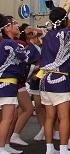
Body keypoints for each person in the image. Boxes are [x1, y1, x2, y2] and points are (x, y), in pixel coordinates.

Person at [39, 0, 70, 154]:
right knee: (64, 116)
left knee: (49, 117)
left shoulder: (47, 36)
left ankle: (49, 148)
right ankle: (64, 148)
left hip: (45, 79)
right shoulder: (65, 35)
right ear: (65, 20)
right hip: (60, 79)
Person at [0, 14, 40, 154]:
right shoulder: (10, 44)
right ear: (7, 28)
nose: (17, 25)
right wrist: (32, 41)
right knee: (7, 117)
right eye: (13, 23)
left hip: (7, 83)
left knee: (8, 117)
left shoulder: (5, 43)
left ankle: (5, 145)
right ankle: (1, 147)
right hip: (8, 83)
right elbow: (27, 57)